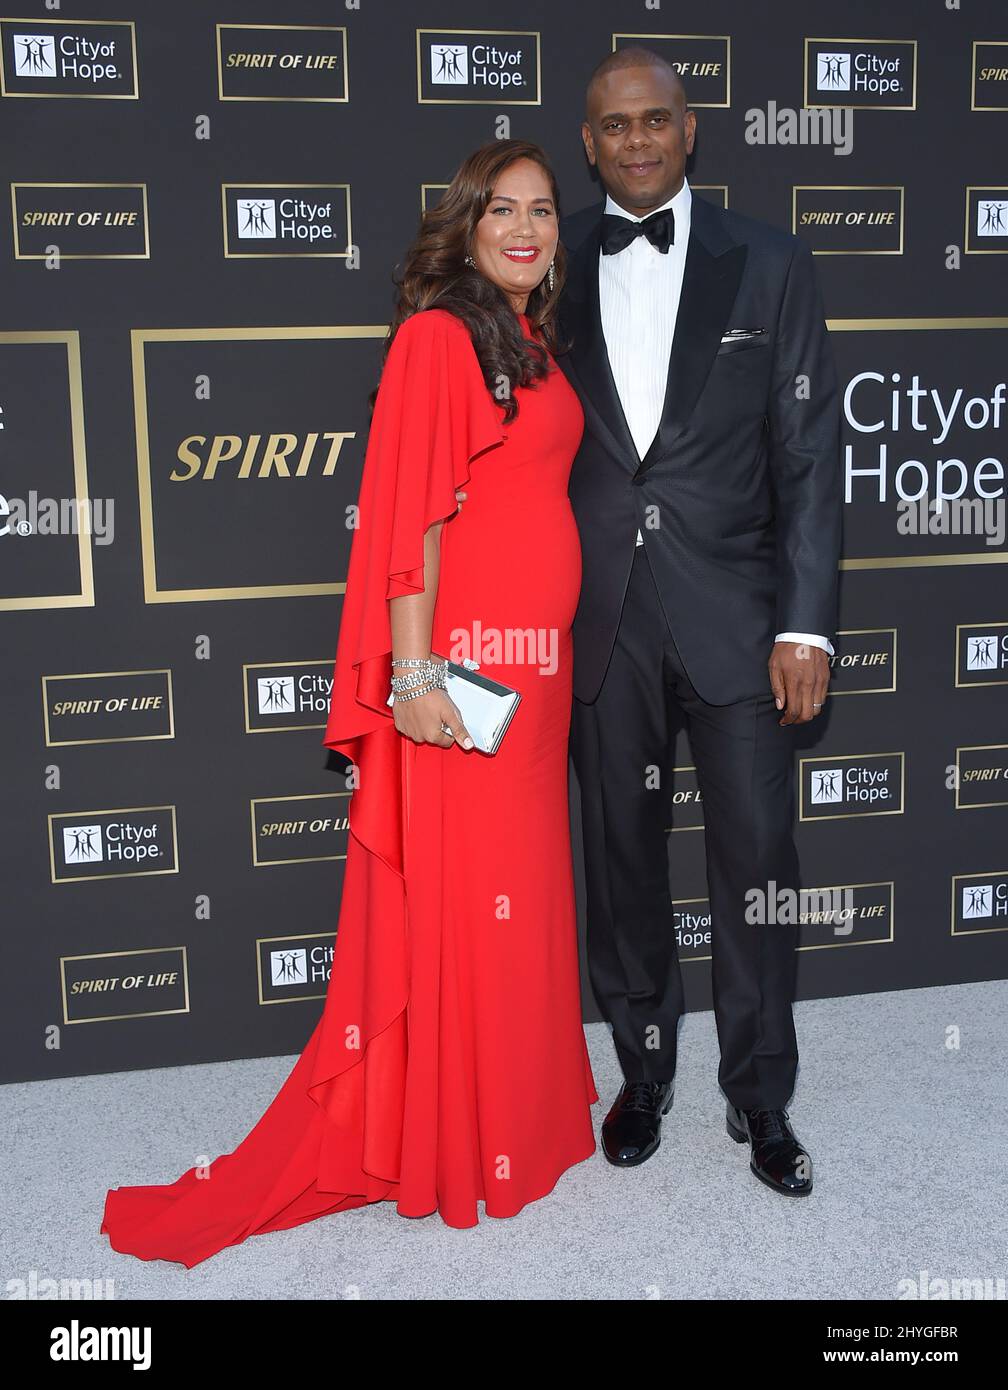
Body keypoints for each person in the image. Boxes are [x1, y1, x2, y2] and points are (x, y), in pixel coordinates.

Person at [99, 140, 597, 1267]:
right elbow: (410, 523)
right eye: (503, 210)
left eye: (544, 212)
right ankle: (458, 1143)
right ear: (465, 225)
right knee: (468, 903)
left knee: (517, 896)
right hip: (462, 678)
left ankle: (518, 1117)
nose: (527, 229)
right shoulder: (439, 338)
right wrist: (413, 678)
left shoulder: (530, 342)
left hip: (537, 680)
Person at [558, 47, 842, 1193]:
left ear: (690, 131)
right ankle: (645, 1068)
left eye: (655, 120)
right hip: (598, 621)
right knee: (622, 862)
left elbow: (810, 456)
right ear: (589, 143)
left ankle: (760, 1096)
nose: (634, 140)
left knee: (756, 862)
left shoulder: (769, 263)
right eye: (613, 125)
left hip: (738, 615)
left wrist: (808, 625)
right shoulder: (545, 264)